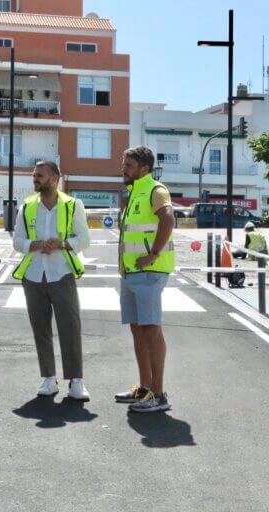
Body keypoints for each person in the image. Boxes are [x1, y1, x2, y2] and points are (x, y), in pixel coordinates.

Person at [12, 161, 91, 401]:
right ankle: (49, 378)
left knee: (70, 327)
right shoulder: (26, 207)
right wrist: (35, 245)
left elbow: (84, 239)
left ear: (54, 179)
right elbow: (17, 241)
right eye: (34, 175)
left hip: (61, 273)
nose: (35, 179)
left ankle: (76, 381)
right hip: (34, 275)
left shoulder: (72, 205)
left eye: (40, 175)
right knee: (41, 328)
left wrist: (62, 243)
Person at [114, 146, 175, 413]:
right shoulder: (132, 193)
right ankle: (145, 388)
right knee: (138, 328)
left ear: (144, 169)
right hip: (130, 272)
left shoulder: (155, 190)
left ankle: (159, 395)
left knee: (151, 329)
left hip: (149, 272)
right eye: (124, 164)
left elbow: (168, 219)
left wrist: (153, 255)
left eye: (128, 165)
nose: (123, 169)